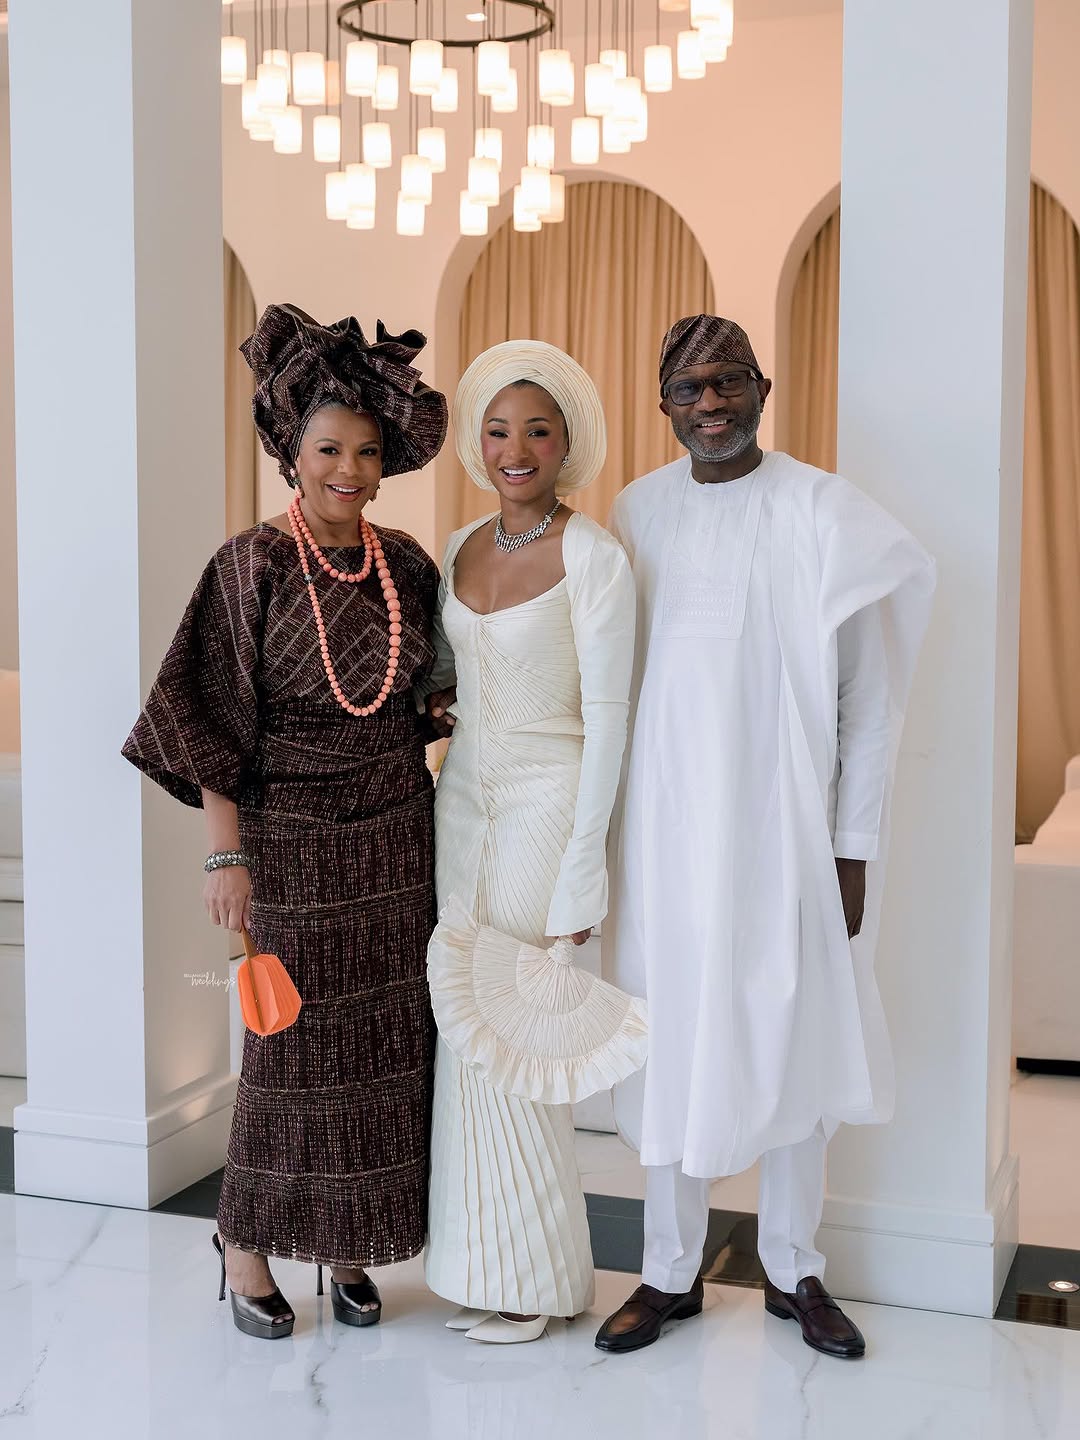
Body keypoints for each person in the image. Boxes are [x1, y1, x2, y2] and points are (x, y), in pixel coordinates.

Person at [597, 315, 935, 1360]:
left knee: (794, 1030)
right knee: (666, 1031)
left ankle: (794, 1269)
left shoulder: (826, 512)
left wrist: (853, 846)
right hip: (662, 833)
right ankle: (668, 1271)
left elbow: (869, 702)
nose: (711, 403)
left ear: (763, 388)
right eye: (689, 388)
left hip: (785, 830)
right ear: (662, 404)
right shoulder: (635, 512)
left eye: (729, 381)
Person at [122, 304, 447, 1339]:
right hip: (289, 839)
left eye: (366, 452)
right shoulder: (250, 564)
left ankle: (349, 1245)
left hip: (398, 838)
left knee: (385, 1048)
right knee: (292, 1052)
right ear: (291, 455)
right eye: (328, 450)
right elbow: (207, 716)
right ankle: (247, 1240)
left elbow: (432, 696)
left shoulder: (408, 565)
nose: (349, 469)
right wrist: (225, 854)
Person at [423, 340, 636, 1344]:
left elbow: (612, 720)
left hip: (548, 803)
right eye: (500, 430)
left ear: (566, 443)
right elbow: (442, 681)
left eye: (537, 431)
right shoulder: (459, 543)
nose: (517, 449)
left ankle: (538, 1279)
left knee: (515, 1031)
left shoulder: (595, 558)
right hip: (460, 800)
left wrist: (584, 870)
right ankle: (478, 1265)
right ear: (479, 442)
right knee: (462, 1030)